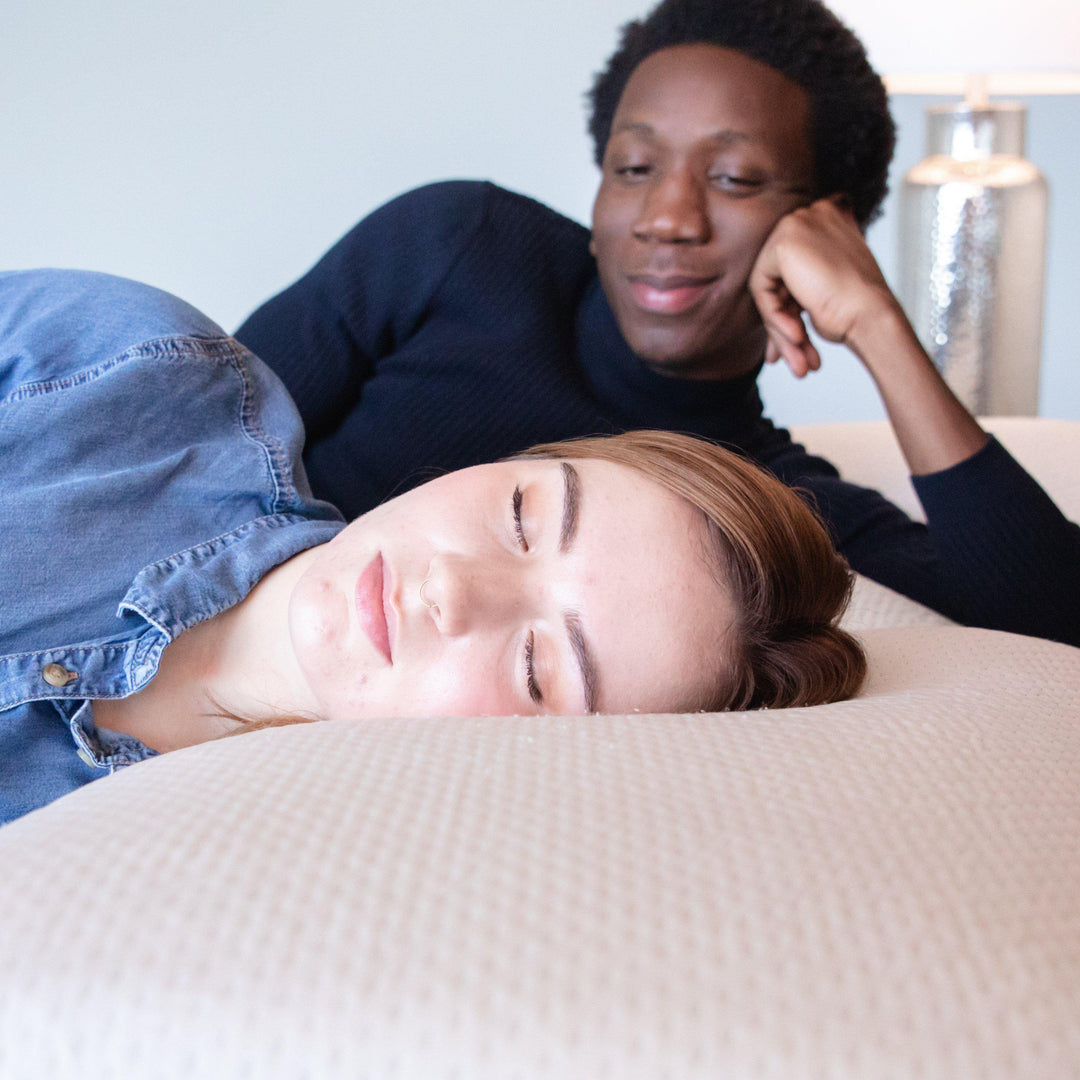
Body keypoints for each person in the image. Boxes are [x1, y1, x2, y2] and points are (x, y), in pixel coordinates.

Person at [235, 0, 1080, 649]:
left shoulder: (758, 496)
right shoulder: (461, 246)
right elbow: (191, 437)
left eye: (736, 178)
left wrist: (878, 324)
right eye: (634, 168)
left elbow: (1049, 626)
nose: (668, 217)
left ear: (829, 225)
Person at [0, 269, 864, 826]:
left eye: (538, 666)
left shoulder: (247, 905)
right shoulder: (138, 368)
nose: (455, 590)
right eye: (523, 517)